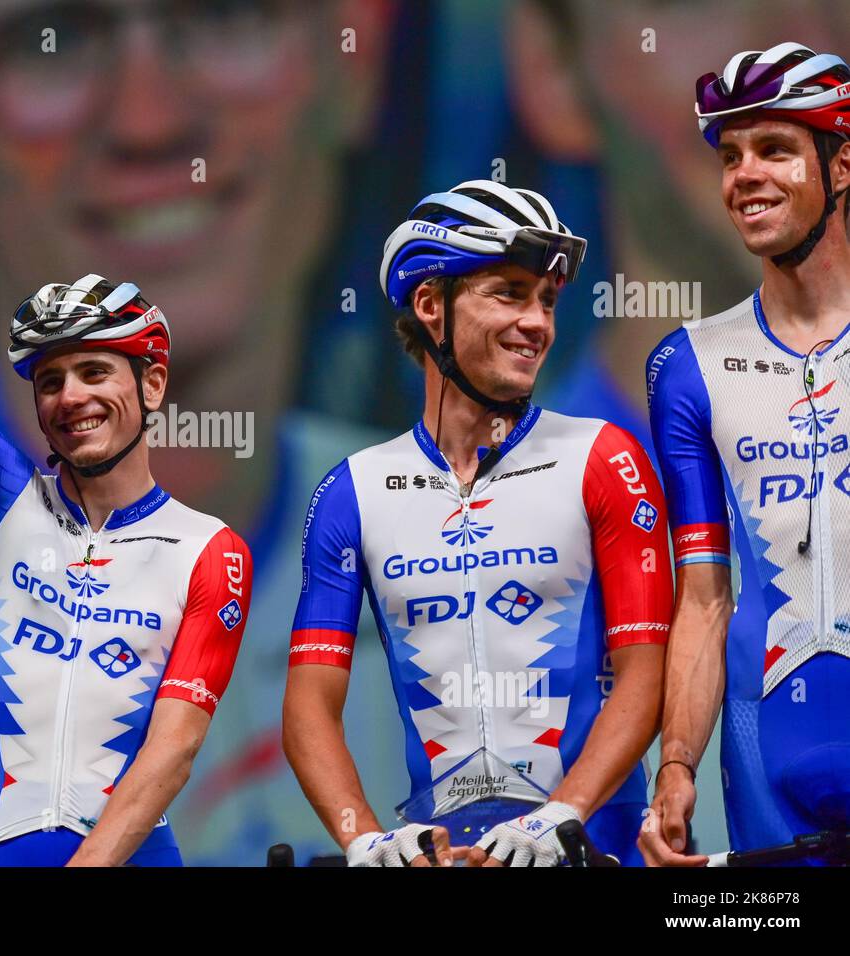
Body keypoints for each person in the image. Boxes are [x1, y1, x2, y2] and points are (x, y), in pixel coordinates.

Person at [0, 58, 252, 866]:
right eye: (49, 380)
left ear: (151, 385)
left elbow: (174, 750)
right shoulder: (0, 498)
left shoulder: (211, 552)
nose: (69, 396)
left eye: (93, 372)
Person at [283, 180, 674, 866]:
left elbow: (647, 673)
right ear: (431, 306)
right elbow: (309, 707)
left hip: (593, 841)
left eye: (548, 300)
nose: (538, 322)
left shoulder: (604, 456)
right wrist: (362, 836)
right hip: (447, 847)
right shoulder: (354, 491)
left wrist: (562, 815)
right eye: (510, 293)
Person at [641, 42, 850, 866]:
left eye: (774, 149)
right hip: (770, 766)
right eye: (730, 155)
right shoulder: (687, 365)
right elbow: (702, 596)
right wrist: (677, 766)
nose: (744, 175)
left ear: (841, 165)